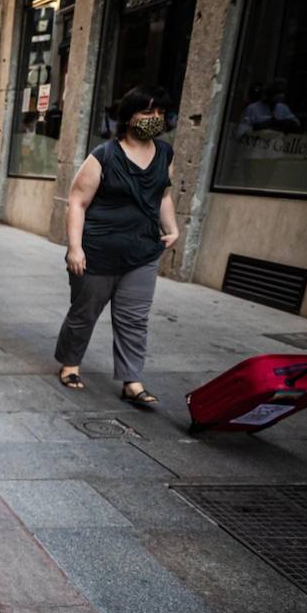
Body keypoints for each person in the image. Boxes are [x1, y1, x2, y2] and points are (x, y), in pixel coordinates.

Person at [55, 84, 179, 405]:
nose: (155, 118)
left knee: (134, 319)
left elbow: (163, 193)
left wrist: (172, 228)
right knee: (85, 312)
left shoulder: (165, 153)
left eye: (160, 113)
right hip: (97, 250)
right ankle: (70, 363)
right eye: (147, 112)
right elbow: (77, 202)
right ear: (128, 117)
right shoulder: (104, 156)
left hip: (142, 251)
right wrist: (75, 247)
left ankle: (132, 381)